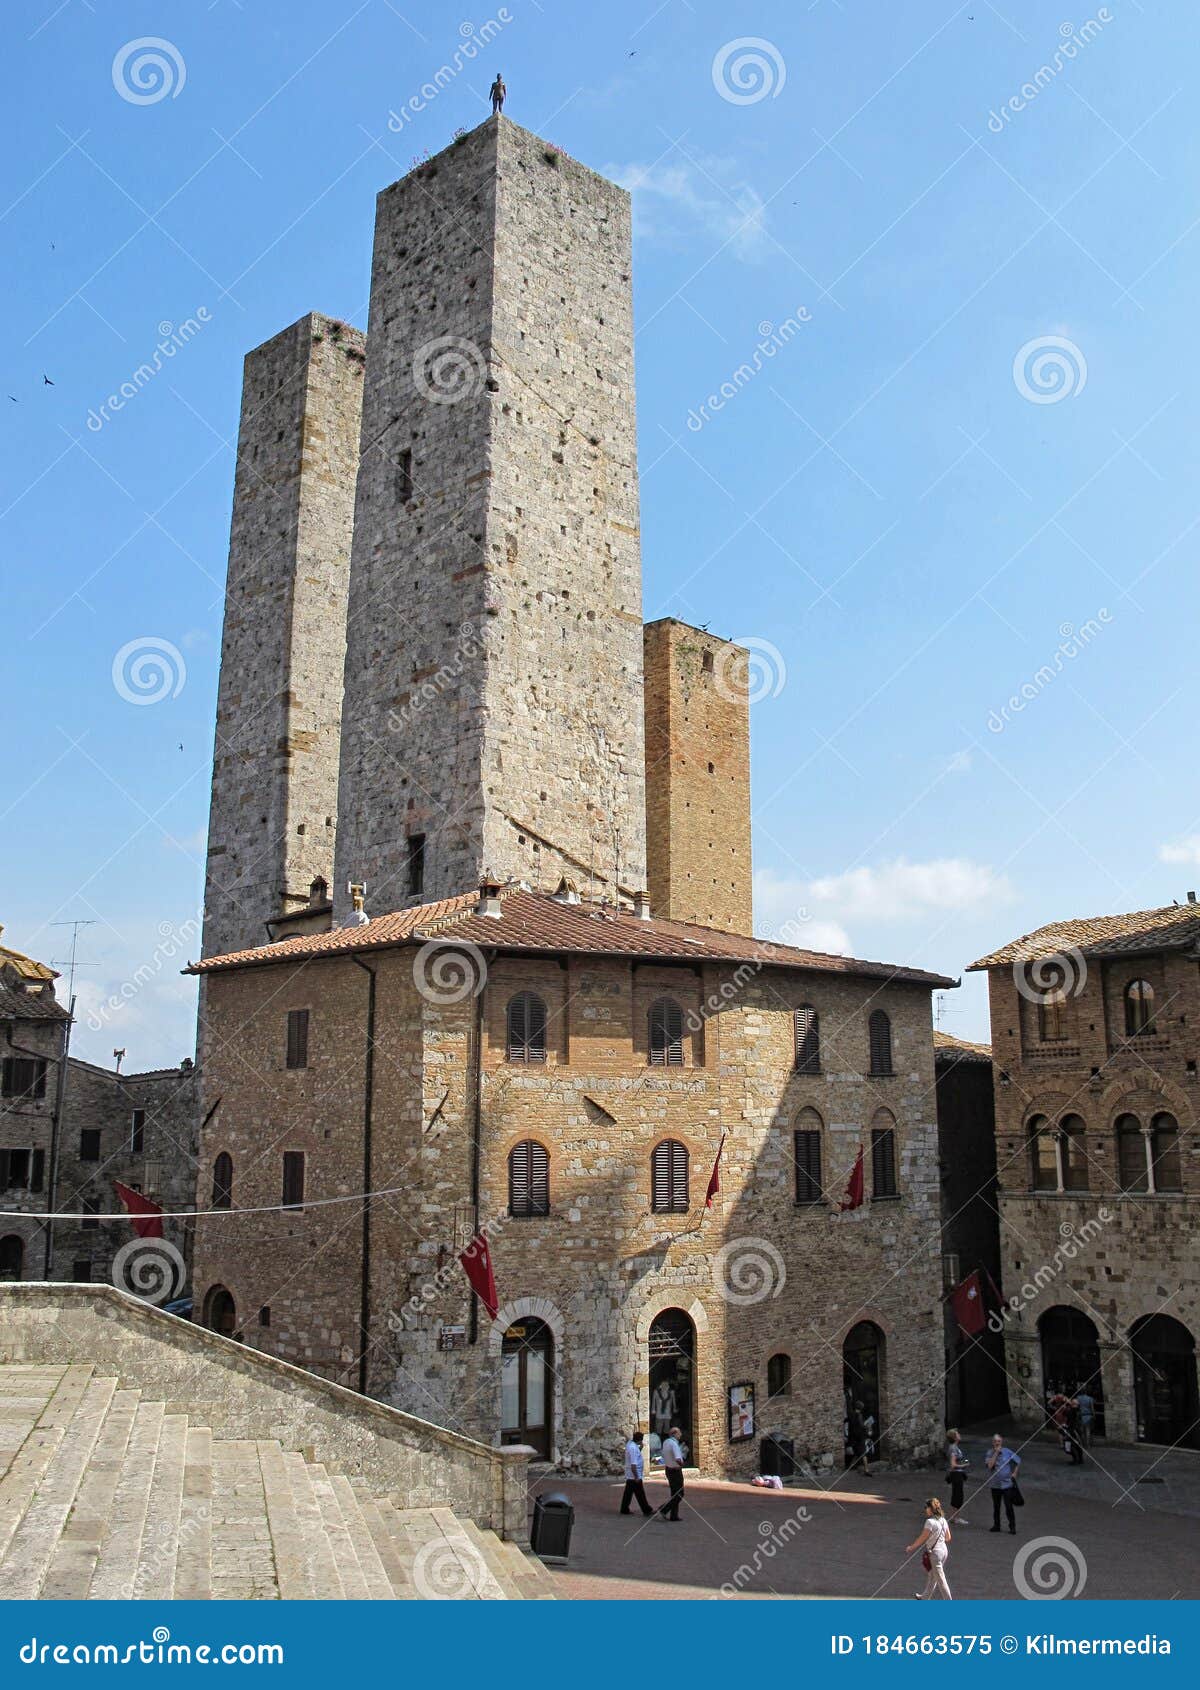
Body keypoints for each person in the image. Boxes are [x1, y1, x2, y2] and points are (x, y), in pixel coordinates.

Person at [907, 1496, 952, 1600]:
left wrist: (912, 1547)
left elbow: (922, 1538)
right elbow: (948, 1538)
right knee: (933, 1575)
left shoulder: (930, 1522)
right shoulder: (943, 1520)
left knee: (940, 1579)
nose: (925, 1509)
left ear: (931, 1508)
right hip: (944, 1551)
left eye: (926, 1507)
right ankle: (925, 1597)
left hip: (935, 1553)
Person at [985, 1433, 1020, 1534]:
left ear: (1001, 1442)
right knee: (996, 1506)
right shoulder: (989, 1453)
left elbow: (1018, 1460)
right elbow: (990, 1466)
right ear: (993, 1442)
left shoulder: (1007, 1451)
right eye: (995, 1441)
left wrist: (1015, 1473)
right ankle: (996, 1525)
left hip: (1007, 1484)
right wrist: (996, 1453)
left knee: (1008, 1506)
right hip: (995, 1485)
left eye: (999, 1441)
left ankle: (1012, 1527)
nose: (997, 1443)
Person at [619, 1431, 653, 1517]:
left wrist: (640, 1448)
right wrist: (637, 1476)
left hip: (630, 1475)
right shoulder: (633, 1448)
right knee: (640, 1493)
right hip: (634, 1475)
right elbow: (633, 1464)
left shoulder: (630, 1444)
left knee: (628, 1493)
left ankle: (624, 1508)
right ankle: (646, 1509)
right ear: (640, 1440)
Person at [657, 1424, 685, 1521]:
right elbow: (678, 1458)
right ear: (674, 1434)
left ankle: (674, 1515)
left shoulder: (666, 1442)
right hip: (675, 1471)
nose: (680, 1434)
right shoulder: (674, 1444)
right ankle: (664, 1509)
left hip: (668, 1469)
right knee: (680, 1494)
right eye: (679, 1433)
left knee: (674, 1493)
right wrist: (682, 1464)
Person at [945, 1428, 969, 1525]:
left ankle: (954, 1516)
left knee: (957, 1495)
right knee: (958, 1496)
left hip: (957, 1474)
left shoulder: (954, 1447)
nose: (959, 1434)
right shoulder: (953, 1448)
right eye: (957, 1433)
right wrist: (964, 1465)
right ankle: (955, 1517)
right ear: (955, 1437)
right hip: (956, 1474)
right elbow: (953, 1465)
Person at [848, 1400, 872, 1476]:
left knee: (857, 1453)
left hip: (853, 1436)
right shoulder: (859, 1415)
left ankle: (850, 1466)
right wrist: (867, 1426)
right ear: (861, 1408)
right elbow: (861, 1426)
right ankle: (867, 1470)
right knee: (863, 1453)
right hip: (860, 1436)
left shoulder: (851, 1414)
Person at [1074, 1384, 1095, 1448]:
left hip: (1081, 1416)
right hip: (1088, 1415)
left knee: (1082, 1431)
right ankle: (1088, 1444)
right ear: (1086, 1392)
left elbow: (1076, 1407)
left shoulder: (1078, 1398)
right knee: (1088, 1431)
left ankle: (1083, 1444)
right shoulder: (1090, 1398)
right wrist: (1094, 1415)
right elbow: (1092, 1408)